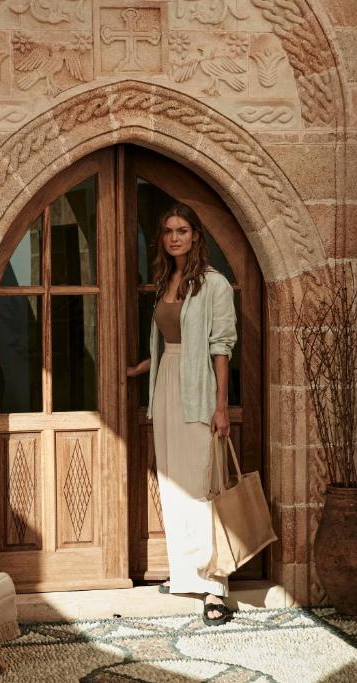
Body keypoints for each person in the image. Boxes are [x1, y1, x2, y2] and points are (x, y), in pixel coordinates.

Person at [126, 202, 238, 626]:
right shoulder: (166, 281)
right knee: (173, 483)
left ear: (196, 235)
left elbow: (220, 346)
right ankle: (186, 575)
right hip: (166, 384)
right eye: (169, 230)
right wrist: (142, 366)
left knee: (200, 487)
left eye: (183, 230)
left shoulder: (214, 284)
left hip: (199, 391)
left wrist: (221, 405)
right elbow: (172, 341)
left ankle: (215, 588)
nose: (175, 237)